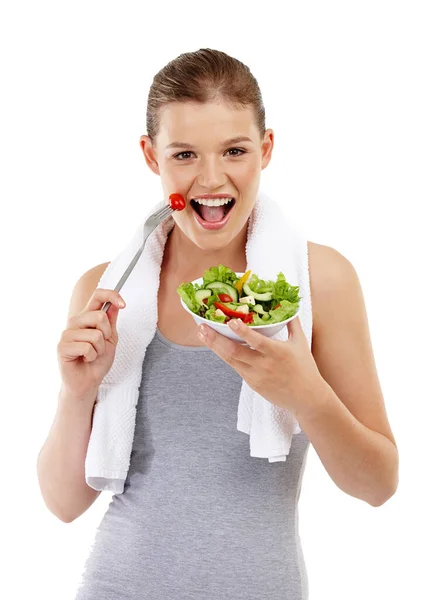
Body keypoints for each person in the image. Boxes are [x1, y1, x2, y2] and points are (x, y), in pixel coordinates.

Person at [37, 48, 399, 600]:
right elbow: (64, 505)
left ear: (267, 149)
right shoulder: (106, 293)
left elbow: (377, 485)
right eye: (184, 153)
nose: (211, 178)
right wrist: (76, 391)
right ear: (151, 157)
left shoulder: (318, 282)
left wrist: (307, 395)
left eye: (234, 150)